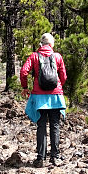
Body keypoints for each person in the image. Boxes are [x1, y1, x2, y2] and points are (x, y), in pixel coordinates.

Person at [19, 32, 67, 167]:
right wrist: (58, 87)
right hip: (56, 97)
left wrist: (25, 87)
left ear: (41, 44)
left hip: (39, 97)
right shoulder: (57, 56)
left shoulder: (34, 56)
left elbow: (24, 72)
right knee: (55, 126)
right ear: (51, 44)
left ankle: (40, 159)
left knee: (41, 126)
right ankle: (55, 157)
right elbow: (63, 76)